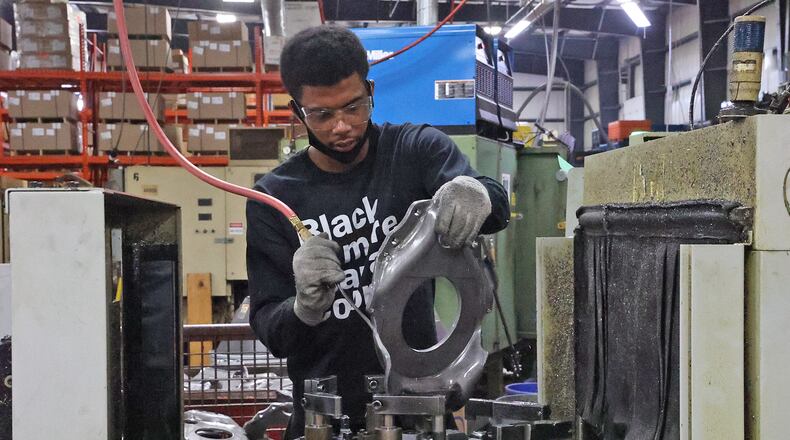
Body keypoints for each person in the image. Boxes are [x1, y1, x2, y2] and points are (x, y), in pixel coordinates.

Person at [246, 25, 510, 439]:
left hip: (417, 414)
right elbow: (269, 326)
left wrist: (475, 193)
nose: (342, 127)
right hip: (324, 420)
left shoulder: (414, 151)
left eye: (354, 106)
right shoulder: (274, 199)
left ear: (370, 90)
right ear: (298, 111)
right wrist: (302, 307)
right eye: (322, 114)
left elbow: (496, 202)